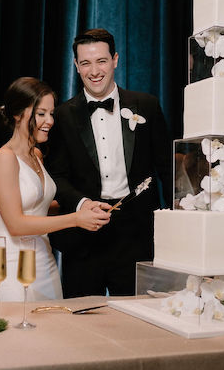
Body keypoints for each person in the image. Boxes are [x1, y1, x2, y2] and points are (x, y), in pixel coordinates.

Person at [45, 28, 171, 297]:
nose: (94, 71)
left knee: (136, 324)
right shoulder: (63, 115)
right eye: (86, 63)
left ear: (115, 59)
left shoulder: (146, 105)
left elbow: (167, 169)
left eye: (101, 61)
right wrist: (81, 203)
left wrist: (178, 226)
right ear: (76, 66)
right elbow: (56, 174)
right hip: (83, 235)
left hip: (136, 235)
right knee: (82, 322)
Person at [0, 77, 111, 302]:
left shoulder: (37, 155)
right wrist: (76, 219)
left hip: (43, 261)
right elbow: (16, 224)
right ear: (17, 114)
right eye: (41, 114)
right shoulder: (3, 158)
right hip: (10, 264)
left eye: (51, 113)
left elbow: (39, 208)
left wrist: (85, 206)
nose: (50, 121)